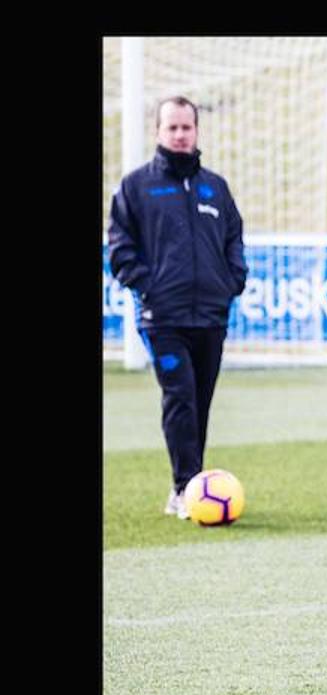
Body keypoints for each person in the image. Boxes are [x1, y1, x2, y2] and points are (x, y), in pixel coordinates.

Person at [108, 96, 249, 519]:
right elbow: (119, 248)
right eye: (172, 128)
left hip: (210, 316)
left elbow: (234, 240)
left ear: (196, 131)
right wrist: (148, 287)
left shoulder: (215, 187)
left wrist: (231, 283)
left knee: (200, 401)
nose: (180, 134)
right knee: (180, 397)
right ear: (158, 131)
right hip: (162, 317)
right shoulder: (136, 187)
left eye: (186, 127)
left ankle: (193, 483)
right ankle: (183, 489)